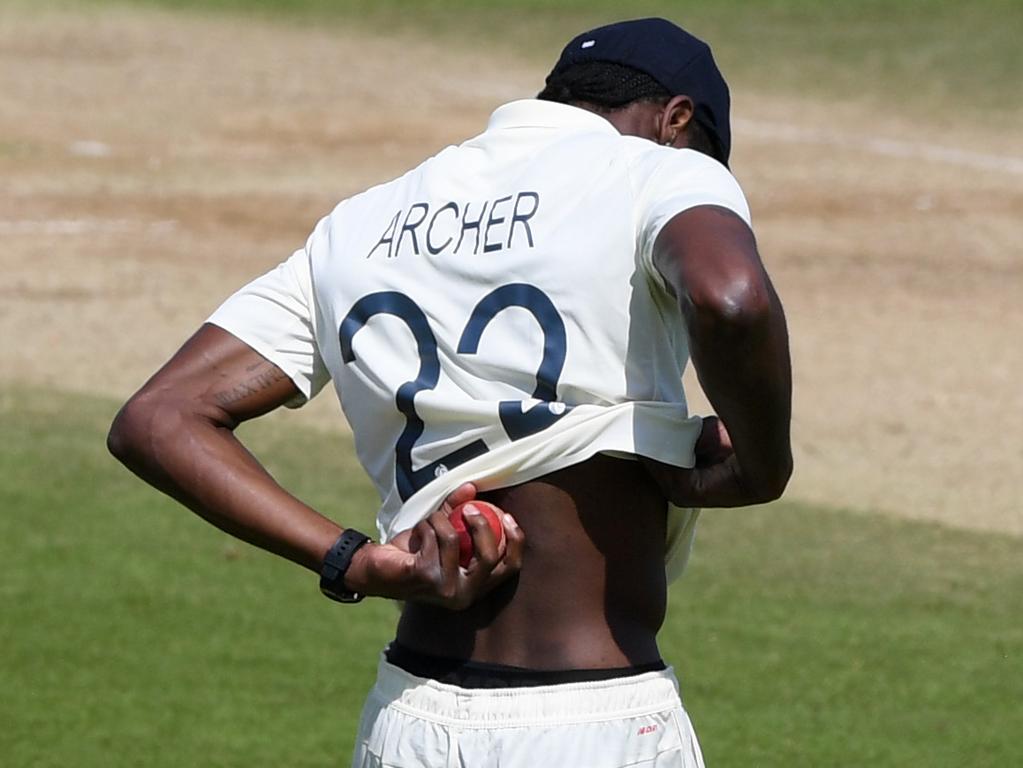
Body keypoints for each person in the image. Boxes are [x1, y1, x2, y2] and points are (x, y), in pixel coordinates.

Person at [108, 17, 791, 768]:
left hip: (409, 721)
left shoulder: (361, 223)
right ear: (676, 120)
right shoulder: (654, 168)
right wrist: (758, 468)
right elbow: (730, 298)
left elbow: (159, 418)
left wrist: (352, 561)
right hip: (593, 722)